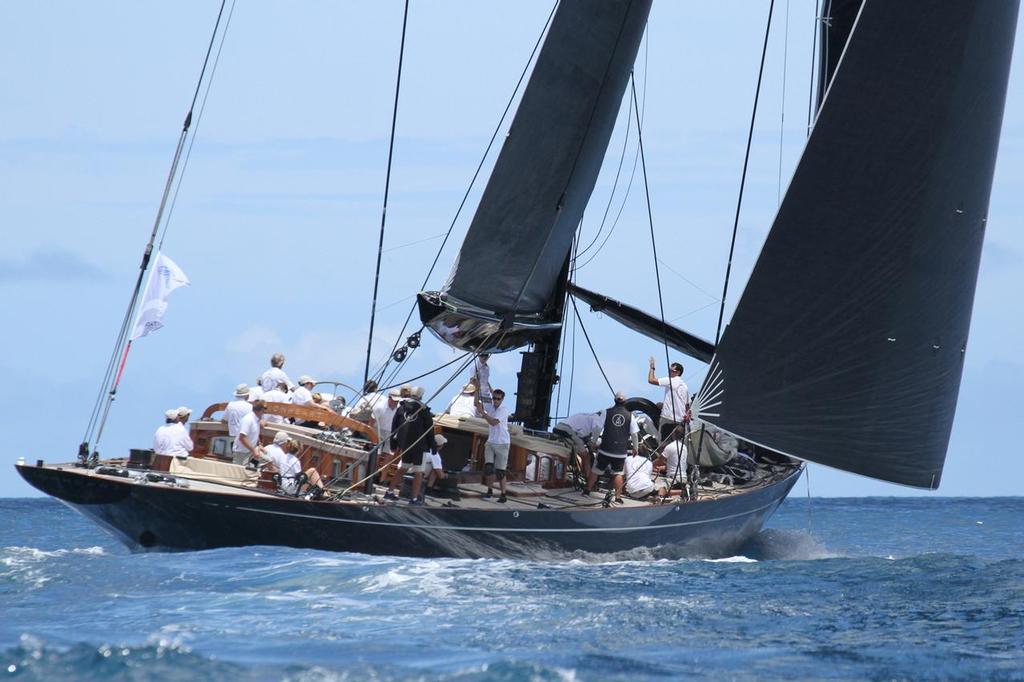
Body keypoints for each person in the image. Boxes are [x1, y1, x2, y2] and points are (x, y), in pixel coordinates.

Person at [384, 386, 436, 505]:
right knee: (419, 472)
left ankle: (390, 491)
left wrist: (393, 443)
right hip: (418, 446)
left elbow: (394, 427)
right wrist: (433, 447)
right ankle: (413, 499)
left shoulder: (402, 408)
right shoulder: (424, 411)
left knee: (404, 467)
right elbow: (429, 431)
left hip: (405, 444)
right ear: (421, 396)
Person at [586, 392, 639, 504]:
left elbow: (597, 428)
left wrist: (594, 442)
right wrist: (636, 448)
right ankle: (618, 497)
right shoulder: (631, 416)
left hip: (605, 449)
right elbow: (634, 434)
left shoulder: (606, 412)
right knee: (618, 473)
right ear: (625, 402)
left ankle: (587, 490)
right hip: (620, 452)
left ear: (614, 400)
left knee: (596, 470)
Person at [475, 387, 510, 503]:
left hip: (502, 443)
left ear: (502, 399)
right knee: (489, 468)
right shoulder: (490, 407)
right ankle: (489, 491)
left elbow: (493, 422)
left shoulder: (503, 410)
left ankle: (503, 494)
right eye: (494, 398)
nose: (495, 401)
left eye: (498, 399)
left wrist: (482, 413)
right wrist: (477, 389)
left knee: (500, 472)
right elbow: (477, 403)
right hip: (491, 441)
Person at [648, 358, 690, 443]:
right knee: (676, 444)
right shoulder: (685, 386)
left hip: (668, 418)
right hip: (680, 420)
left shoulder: (670, 380)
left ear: (678, 372)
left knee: (662, 445)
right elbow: (687, 405)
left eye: (671, 371)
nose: (669, 372)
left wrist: (652, 368)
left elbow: (651, 380)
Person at [553, 411, 603, 479]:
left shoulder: (588, 416)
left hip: (559, 427)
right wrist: (593, 445)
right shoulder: (598, 420)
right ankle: (588, 480)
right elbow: (597, 430)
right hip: (567, 430)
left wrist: (591, 445)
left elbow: (584, 437)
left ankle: (562, 476)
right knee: (586, 457)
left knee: (567, 453)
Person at [371, 389, 402, 460]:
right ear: (389, 398)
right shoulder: (379, 407)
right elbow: (372, 422)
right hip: (378, 430)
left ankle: (383, 471)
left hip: (391, 432)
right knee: (377, 452)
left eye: (397, 401)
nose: (395, 402)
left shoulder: (399, 408)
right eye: (394, 400)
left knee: (390, 453)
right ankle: (374, 468)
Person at [233, 400, 266, 465]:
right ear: (261, 410)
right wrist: (253, 450)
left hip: (251, 450)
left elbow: (255, 433)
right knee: (238, 471)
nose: (265, 412)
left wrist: (259, 444)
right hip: (242, 452)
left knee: (267, 460)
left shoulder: (256, 419)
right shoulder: (248, 419)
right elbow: (242, 437)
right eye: (265, 409)